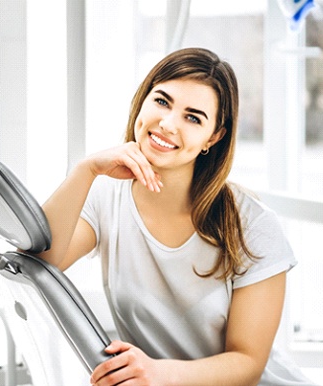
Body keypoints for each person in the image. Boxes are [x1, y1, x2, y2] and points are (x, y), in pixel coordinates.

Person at [37, 47, 317, 385]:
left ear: (213, 137)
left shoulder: (253, 225)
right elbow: (43, 261)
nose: (168, 124)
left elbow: (248, 365)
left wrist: (158, 373)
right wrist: (86, 170)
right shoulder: (104, 195)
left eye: (193, 117)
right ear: (142, 101)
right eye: (162, 101)